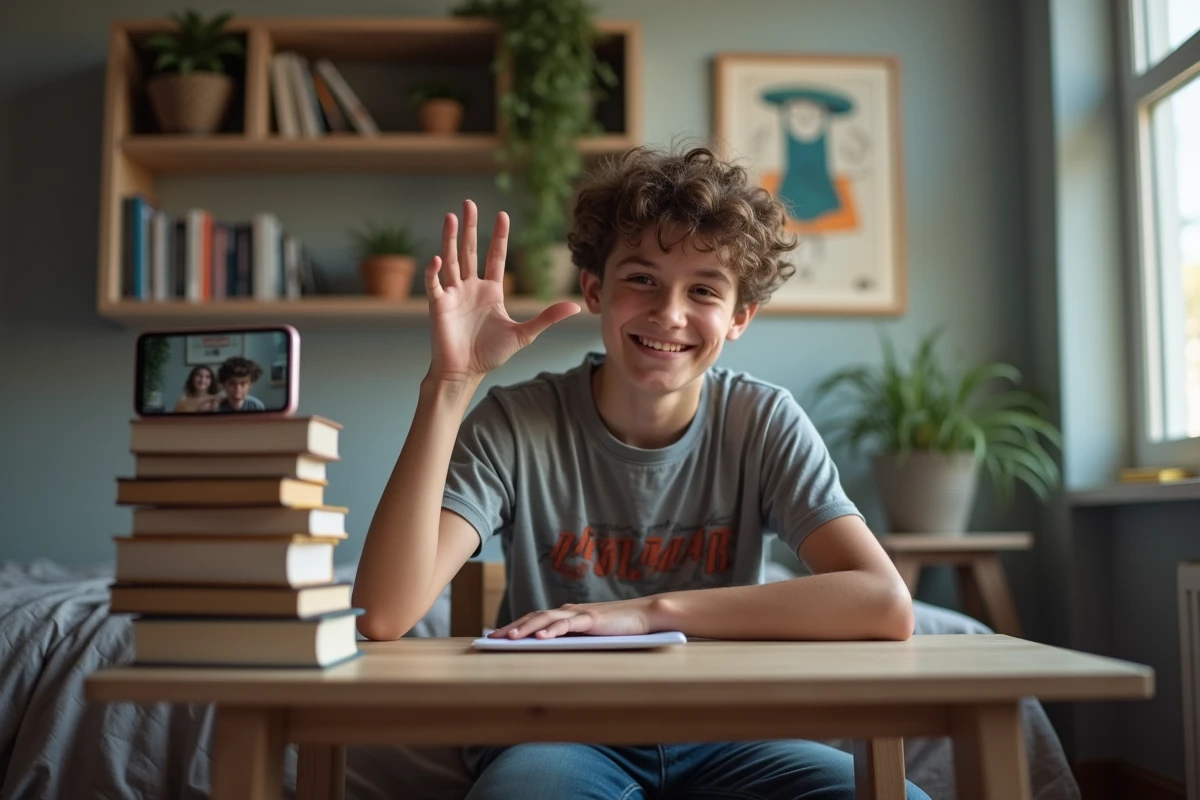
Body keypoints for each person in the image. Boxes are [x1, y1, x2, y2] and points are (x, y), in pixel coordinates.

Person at [353, 145, 929, 800]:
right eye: (642, 279)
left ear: (739, 317)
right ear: (596, 289)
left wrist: (643, 615)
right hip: (556, 733)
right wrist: (449, 385)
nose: (670, 313)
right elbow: (382, 616)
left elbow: (883, 603)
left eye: (704, 289)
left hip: (732, 736)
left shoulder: (761, 420)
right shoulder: (517, 422)